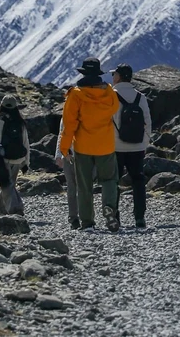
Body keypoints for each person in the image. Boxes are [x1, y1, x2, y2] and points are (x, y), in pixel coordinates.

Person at [59, 57, 121, 232]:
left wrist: (64, 148)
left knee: (85, 185)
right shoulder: (109, 92)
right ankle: (109, 208)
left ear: (83, 73)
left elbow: (69, 124)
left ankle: (87, 222)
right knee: (109, 179)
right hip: (106, 144)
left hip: (83, 146)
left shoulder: (76, 94)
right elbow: (114, 109)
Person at [111, 63, 152, 229]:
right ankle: (139, 217)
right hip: (137, 147)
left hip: (116, 147)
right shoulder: (140, 97)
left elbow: (106, 122)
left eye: (114, 74)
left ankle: (115, 216)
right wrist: (144, 143)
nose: (112, 77)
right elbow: (147, 122)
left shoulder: (110, 96)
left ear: (119, 77)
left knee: (113, 182)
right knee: (138, 181)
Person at [0, 94, 30, 215]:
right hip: (19, 158)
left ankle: (16, 209)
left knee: (6, 185)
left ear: (1, 105)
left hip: (2, 159)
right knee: (9, 185)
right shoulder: (20, 120)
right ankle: (2, 211)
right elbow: (26, 142)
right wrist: (26, 162)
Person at [54, 119, 80, 229]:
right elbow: (61, 134)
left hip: (81, 155)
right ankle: (74, 217)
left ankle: (83, 216)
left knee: (79, 187)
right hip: (70, 155)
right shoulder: (66, 116)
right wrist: (58, 155)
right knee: (72, 187)